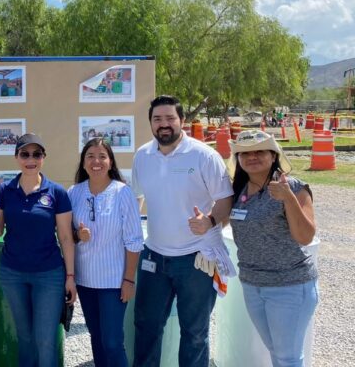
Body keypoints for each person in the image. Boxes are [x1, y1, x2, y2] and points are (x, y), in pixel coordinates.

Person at [131, 95, 233, 367]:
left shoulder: (204, 155)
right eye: (157, 119)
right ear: (151, 123)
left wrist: (211, 220)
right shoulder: (143, 155)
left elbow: (226, 199)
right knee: (146, 326)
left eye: (169, 118)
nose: (163, 125)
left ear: (182, 121)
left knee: (194, 333)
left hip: (196, 259)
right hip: (154, 256)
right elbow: (136, 198)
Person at [0, 133, 77, 367]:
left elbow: (66, 238)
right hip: (12, 273)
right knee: (24, 338)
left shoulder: (57, 193)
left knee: (45, 340)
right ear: (17, 157)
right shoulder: (5, 190)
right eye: (25, 154)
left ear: (43, 158)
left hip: (49, 274)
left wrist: (70, 277)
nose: (30, 159)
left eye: (36, 154)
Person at [229, 130, 318, 367]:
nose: (252, 157)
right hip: (253, 284)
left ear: (273, 154)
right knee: (277, 352)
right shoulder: (238, 191)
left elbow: (305, 236)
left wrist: (288, 198)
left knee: (287, 357)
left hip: (289, 285)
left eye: (260, 151)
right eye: (245, 153)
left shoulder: (294, 187)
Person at [68, 138, 143, 366]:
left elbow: (134, 241)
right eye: (90, 156)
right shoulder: (74, 193)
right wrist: (78, 236)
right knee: (97, 338)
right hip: (85, 280)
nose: (96, 161)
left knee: (112, 341)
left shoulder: (123, 193)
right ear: (83, 163)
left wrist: (129, 279)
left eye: (102, 156)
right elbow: (65, 236)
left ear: (110, 162)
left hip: (114, 281)